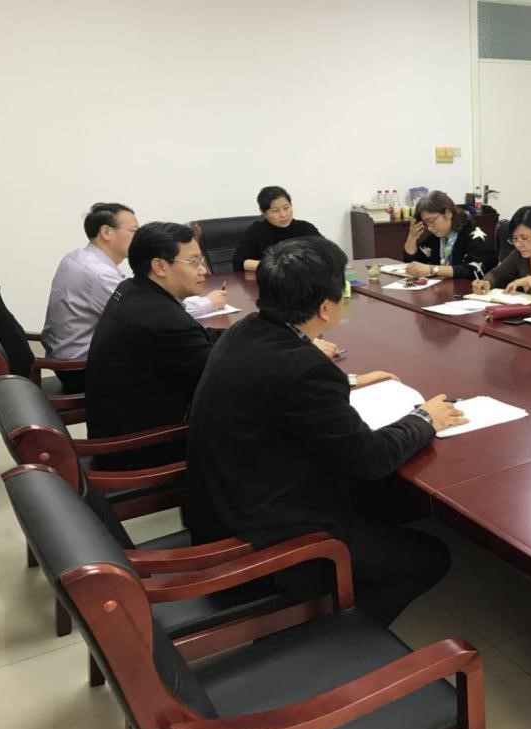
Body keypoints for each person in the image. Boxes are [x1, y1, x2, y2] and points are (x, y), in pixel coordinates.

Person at [185, 236, 467, 626]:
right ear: (324, 306)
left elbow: (276, 388)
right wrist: (425, 418)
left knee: (384, 505)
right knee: (431, 557)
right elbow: (370, 460)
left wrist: (348, 381)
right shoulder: (303, 368)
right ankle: (331, 637)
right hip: (266, 533)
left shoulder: (247, 329)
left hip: (220, 506)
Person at [85, 222, 229, 469]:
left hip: (118, 430)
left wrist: (251, 335)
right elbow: (221, 375)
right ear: (160, 266)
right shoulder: (161, 319)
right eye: (193, 261)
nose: (203, 270)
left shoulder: (134, 290)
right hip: (140, 450)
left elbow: (199, 338)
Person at [41, 203, 227, 392]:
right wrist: (208, 303)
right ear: (106, 232)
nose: (203, 270)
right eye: (133, 230)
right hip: (81, 368)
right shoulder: (100, 275)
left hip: (77, 357)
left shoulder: (84, 260)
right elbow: (165, 318)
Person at [402, 190, 496, 280]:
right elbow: (412, 261)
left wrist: (433, 269)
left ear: (448, 213)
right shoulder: (437, 237)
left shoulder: (474, 236)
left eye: (431, 221)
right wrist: (412, 238)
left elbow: (474, 271)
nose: (429, 228)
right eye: (426, 223)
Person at [232, 185, 321, 271]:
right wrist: (276, 266)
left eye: (286, 208)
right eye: (275, 210)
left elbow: (325, 253)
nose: (283, 215)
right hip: (269, 279)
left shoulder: (305, 228)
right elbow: (239, 263)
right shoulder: (256, 231)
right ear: (264, 213)